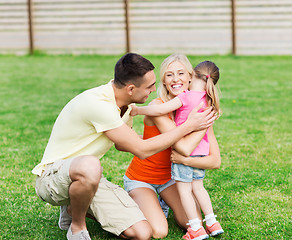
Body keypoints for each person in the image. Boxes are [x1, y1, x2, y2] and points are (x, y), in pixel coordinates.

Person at [31, 53, 216, 240]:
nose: (153, 89)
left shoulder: (126, 106)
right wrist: (189, 126)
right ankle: (77, 226)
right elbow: (143, 150)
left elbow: (124, 144)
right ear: (130, 89)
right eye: (150, 86)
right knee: (90, 166)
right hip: (54, 176)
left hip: (95, 177)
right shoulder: (101, 105)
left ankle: (74, 207)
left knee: (145, 232)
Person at [123, 54, 222, 239]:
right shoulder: (158, 107)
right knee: (159, 231)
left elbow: (215, 161)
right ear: (164, 81)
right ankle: (123, 202)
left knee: (193, 221)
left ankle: (161, 202)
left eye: (181, 73)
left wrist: (203, 123)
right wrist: (195, 125)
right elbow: (182, 148)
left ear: (191, 77)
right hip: (143, 178)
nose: (176, 79)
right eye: (169, 75)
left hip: (171, 179)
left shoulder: (198, 109)